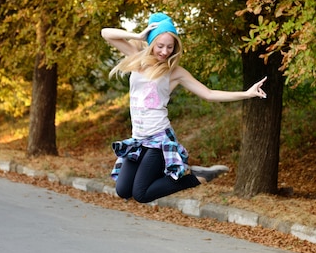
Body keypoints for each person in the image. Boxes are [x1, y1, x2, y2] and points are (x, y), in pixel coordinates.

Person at [101, 12, 267, 203]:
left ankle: (196, 177)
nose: (164, 52)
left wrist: (246, 94)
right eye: (160, 46)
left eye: (170, 47)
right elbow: (106, 33)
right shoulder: (137, 58)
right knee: (122, 190)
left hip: (159, 140)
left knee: (141, 194)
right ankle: (173, 173)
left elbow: (209, 94)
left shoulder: (174, 72)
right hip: (138, 139)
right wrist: (138, 36)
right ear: (151, 42)